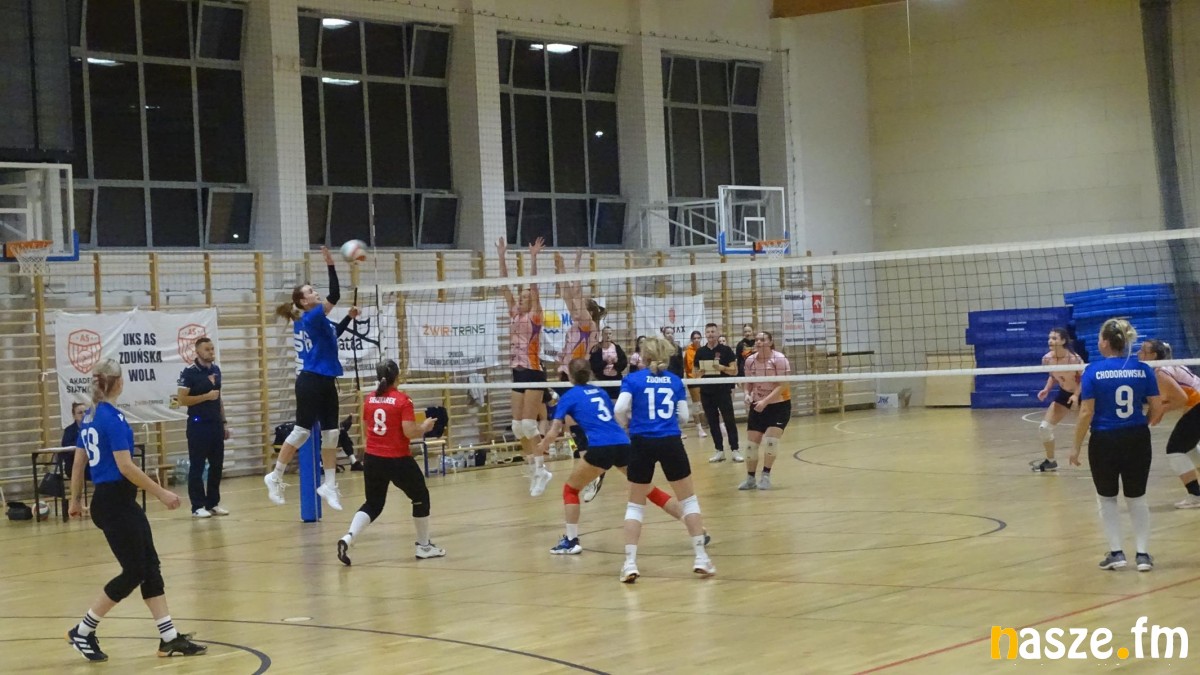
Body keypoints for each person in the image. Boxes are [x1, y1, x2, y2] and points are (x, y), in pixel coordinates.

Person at [66, 359, 206, 662]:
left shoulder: (90, 416)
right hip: (115, 502)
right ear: (118, 382)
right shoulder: (111, 418)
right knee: (134, 571)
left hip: (114, 501)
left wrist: (74, 499)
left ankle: (168, 638)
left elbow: (78, 463)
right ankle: (83, 630)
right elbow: (126, 467)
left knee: (150, 566)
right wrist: (161, 493)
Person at [539, 358, 708, 554]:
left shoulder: (569, 396)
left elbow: (554, 431)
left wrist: (541, 446)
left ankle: (571, 541)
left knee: (570, 490)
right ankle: (697, 528)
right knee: (649, 490)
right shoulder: (601, 392)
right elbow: (613, 415)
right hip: (622, 443)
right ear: (590, 372)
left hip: (601, 448)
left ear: (570, 375)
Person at [614, 336, 714, 582]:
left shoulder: (632, 380)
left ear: (644, 356)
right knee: (689, 501)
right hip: (670, 441)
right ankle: (701, 557)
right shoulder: (675, 381)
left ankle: (630, 563)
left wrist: (628, 424)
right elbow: (684, 416)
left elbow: (619, 409)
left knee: (635, 506)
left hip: (641, 442)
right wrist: (666, 422)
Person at [267, 246, 357, 510]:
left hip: (325, 381)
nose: (315, 292)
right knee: (301, 432)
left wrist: (348, 319)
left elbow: (333, 336)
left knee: (332, 433)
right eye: (310, 291)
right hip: (311, 381)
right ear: (304, 302)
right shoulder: (313, 315)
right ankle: (275, 475)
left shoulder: (312, 320)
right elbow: (335, 294)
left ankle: (329, 484)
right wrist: (330, 264)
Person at [1069, 319, 1163, 572]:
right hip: (1137, 438)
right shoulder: (1143, 370)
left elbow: (1086, 412)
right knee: (1137, 497)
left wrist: (1075, 446)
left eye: (1100, 337)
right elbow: (1157, 409)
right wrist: (1139, 424)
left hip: (1104, 440)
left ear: (1105, 342)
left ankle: (1117, 553)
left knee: (1106, 498)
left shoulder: (1093, 371)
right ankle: (1142, 555)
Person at [336, 360, 445, 565]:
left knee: (373, 504)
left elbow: (367, 427)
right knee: (420, 496)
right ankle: (424, 546)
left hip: (372, 458)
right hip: (397, 459)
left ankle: (348, 538)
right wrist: (425, 426)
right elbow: (409, 431)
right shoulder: (403, 400)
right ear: (397, 377)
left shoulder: (369, 399)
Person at [495, 236, 552, 496]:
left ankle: (542, 470)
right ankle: (533, 467)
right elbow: (504, 285)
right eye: (521, 295)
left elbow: (535, 286)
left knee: (529, 424)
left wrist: (533, 258)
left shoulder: (535, 316)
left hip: (533, 372)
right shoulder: (514, 314)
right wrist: (501, 256)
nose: (522, 297)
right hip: (517, 372)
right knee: (518, 427)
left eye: (526, 295)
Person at [1137, 339, 1200, 508]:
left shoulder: (1160, 373)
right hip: (1196, 405)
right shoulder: (1162, 369)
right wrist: (1153, 415)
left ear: (1153, 355)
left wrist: (1160, 411)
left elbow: (1181, 399)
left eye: (1143, 351)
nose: (1138, 353)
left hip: (1197, 405)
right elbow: (1164, 402)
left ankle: (1195, 495)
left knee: (1174, 449)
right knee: (1188, 447)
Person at [176, 337, 229, 518]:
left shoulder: (216, 370)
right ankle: (197, 506)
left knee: (217, 466)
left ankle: (213, 503)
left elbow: (219, 398)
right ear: (197, 351)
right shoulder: (189, 373)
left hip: (215, 425)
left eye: (212, 349)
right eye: (207, 349)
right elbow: (181, 399)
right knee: (197, 466)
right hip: (198, 425)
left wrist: (224, 422)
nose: (211, 352)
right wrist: (206, 396)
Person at [739, 331, 791, 490]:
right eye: (757, 340)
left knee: (770, 442)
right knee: (751, 445)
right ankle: (750, 479)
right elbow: (748, 382)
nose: (758, 342)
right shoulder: (750, 360)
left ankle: (766, 476)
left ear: (770, 342)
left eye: (762, 340)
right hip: (757, 405)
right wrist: (747, 394)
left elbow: (783, 385)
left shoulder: (779, 359)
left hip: (778, 406)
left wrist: (765, 401)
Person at [1032, 328, 1082, 472]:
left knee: (1093, 431)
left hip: (1083, 394)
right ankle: (1051, 461)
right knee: (1044, 428)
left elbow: (1083, 379)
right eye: (1049, 338)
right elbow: (1054, 376)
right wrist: (1046, 389)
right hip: (1065, 394)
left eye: (1054, 338)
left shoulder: (1074, 359)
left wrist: (1076, 395)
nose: (1050, 341)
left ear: (1063, 341)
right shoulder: (1047, 359)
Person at [696, 323, 741, 463]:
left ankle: (735, 449)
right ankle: (719, 450)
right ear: (705, 334)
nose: (710, 334)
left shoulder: (726, 350)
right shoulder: (700, 351)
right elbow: (694, 373)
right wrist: (700, 372)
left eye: (713, 331)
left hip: (723, 391)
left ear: (718, 333)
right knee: (713, 422)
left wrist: (722, 368)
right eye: (708, 332)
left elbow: (734, 371)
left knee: (729, 420)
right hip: (706, 392)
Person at [589, 325, 627, 401]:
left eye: (610, 334)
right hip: (602, 381)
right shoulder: (597, 348)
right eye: (606, 334)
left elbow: (624, 363)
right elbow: (593, 366)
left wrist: (615, 363)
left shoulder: (617, 347)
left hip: (616, 380)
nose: (608, 336)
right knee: (604, 401)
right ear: (602, 335)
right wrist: (605, 362)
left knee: (616, 401)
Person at [682, 330, 708, 439]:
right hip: (694, 379)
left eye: (698, 338)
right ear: (691, 340)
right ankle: (699, 428)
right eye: (694, 338)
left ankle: (706, 425)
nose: (696, 340)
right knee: (696, 404)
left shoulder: (703, 349)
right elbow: (690, 367)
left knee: (704, 404)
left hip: (704, 379)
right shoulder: (689, 351)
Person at [58, 402, 86, 477]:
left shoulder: (93, 428)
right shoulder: (69, 430)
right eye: (80, 413)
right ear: (74, 416)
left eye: (85, 412)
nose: (84, 415)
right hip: (73, 464)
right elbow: (66, 448)